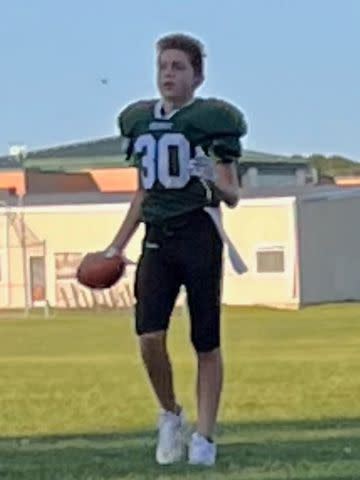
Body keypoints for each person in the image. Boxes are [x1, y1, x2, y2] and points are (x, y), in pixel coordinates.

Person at [105, 33, 247, 466]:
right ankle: (170, 413)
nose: (168, 73)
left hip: (199, 235)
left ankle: (204, 436)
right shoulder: (140, 121)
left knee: (205, 339)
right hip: (157, 238)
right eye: (163, 66)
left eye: (178, 66)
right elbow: (143, 191)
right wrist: (116, 245)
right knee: (149, 337)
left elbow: (232, 194)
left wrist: (211, 176)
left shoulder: (210, 121)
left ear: (197, 77)